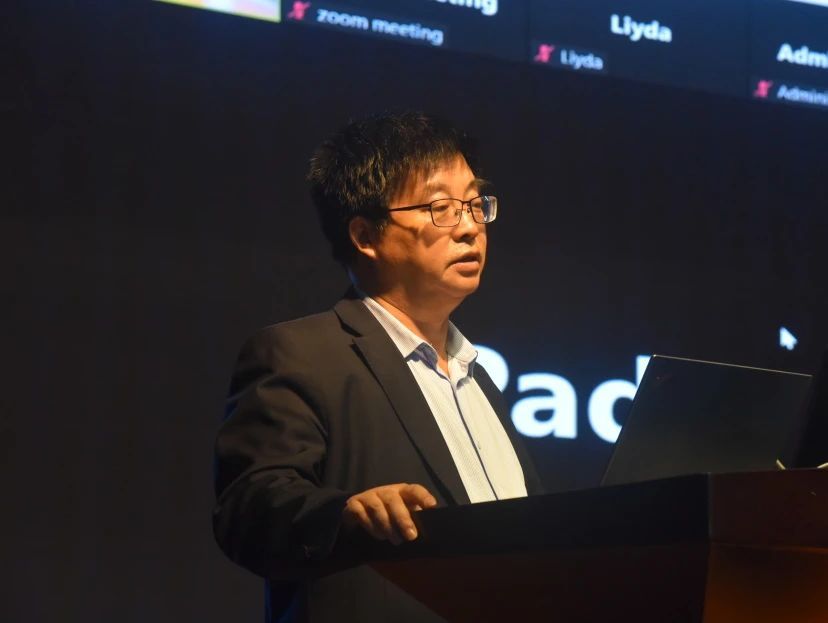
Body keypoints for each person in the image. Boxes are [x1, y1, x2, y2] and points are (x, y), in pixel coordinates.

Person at [213, 111, 543, 623]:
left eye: (475, 204)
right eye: (441, 208)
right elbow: (249, 509)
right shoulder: (301, 353)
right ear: (366, 235)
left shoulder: (478, 379)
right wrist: (344, 514)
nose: (470, 228)